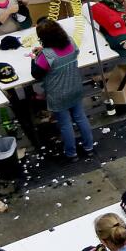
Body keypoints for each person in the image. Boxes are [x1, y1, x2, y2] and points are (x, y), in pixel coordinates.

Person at [31, 19, 96, 162]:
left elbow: (36, 74)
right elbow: (73, 52)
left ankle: (71, 154)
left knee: (65, 124)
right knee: (80, 117)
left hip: (58, 95)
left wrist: (34, 57)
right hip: (75, 87)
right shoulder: (71, 43)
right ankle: (89, 148)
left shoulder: (46, 56)